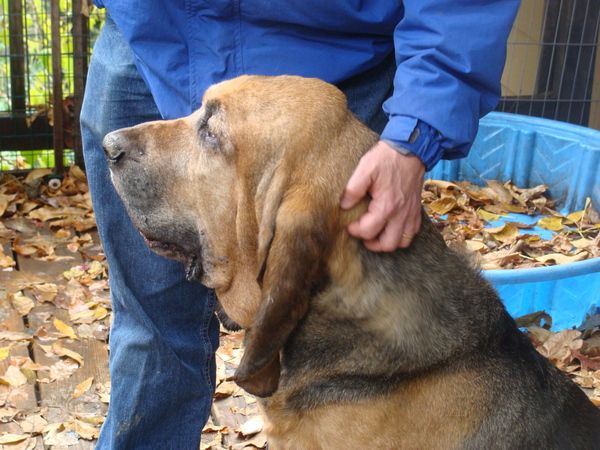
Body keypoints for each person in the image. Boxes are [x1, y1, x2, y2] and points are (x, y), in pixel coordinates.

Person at [80, 1, 520, 448]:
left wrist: (419, 128)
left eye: (207, 132)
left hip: (334, 47)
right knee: (149, 331)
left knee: (350, 352)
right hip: (153, 33)